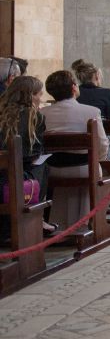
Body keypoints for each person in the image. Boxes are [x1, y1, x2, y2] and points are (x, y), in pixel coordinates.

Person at [0, 75, 56, 235]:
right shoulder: (34, 117)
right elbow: (32, 154)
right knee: (43, 166)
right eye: (39, 94)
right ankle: (38, 219)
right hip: (15, 180)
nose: (40, 98)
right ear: (30, 96)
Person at [71, 60, 110, 161]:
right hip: (99, 147)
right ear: (96, 76)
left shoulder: (74, 94)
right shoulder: (106, 93)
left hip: (76, 147)